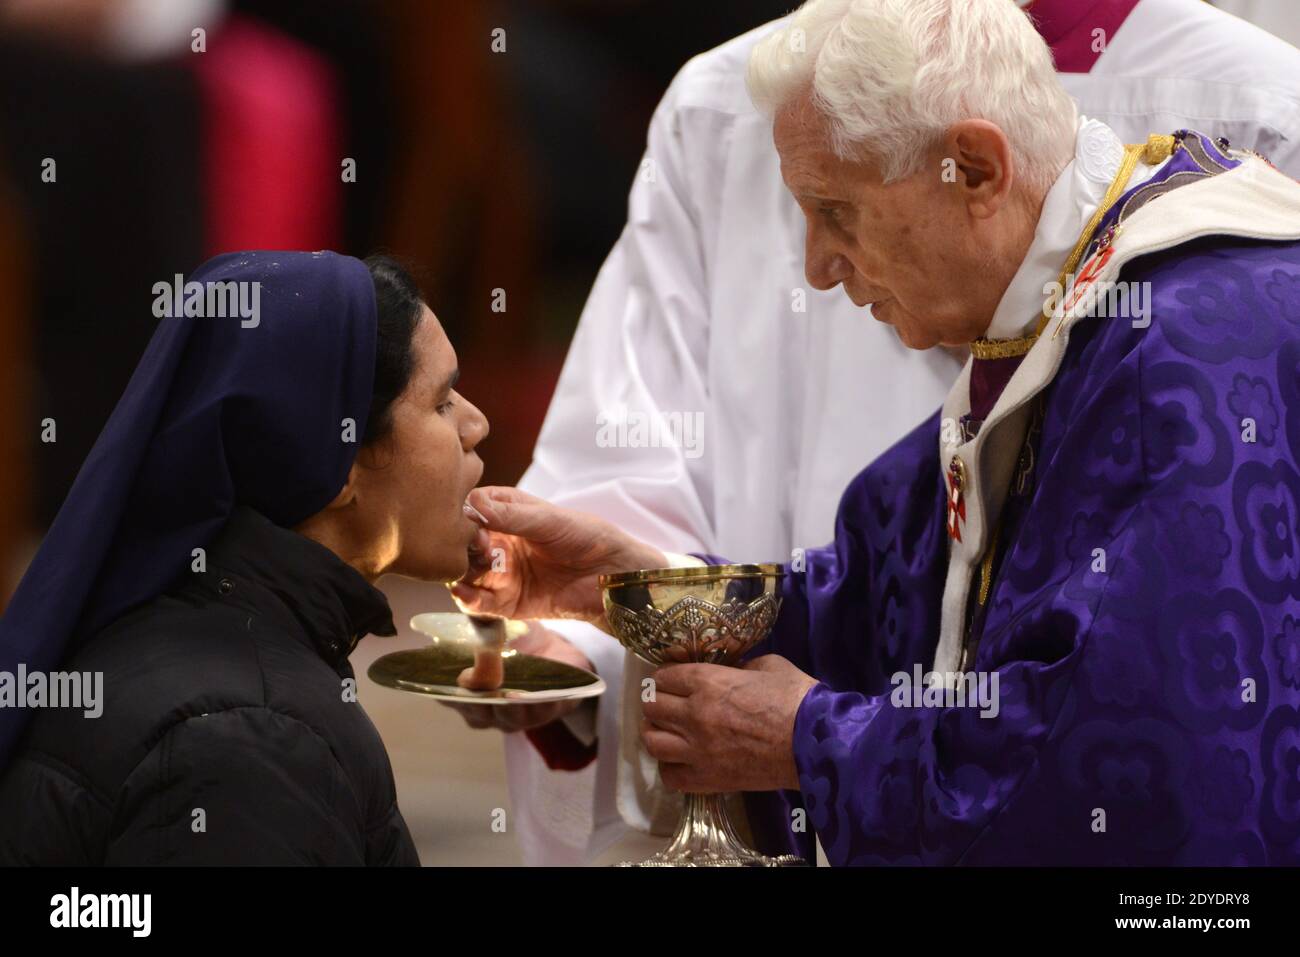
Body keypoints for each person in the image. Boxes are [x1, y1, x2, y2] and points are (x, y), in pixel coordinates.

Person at [454, 0, 1300, 865]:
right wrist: (632, 590)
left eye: (835, 212)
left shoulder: (1183, 351)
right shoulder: (1070, 304)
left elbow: (1127, 766)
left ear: (975, 169)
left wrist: (813, 742)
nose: (817, 269)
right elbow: (884, 591)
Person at [0, 252, 489, 864]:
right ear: (336, 464)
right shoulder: (250, 739)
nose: (477, 423)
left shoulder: (219, 662)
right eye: (442, 403)